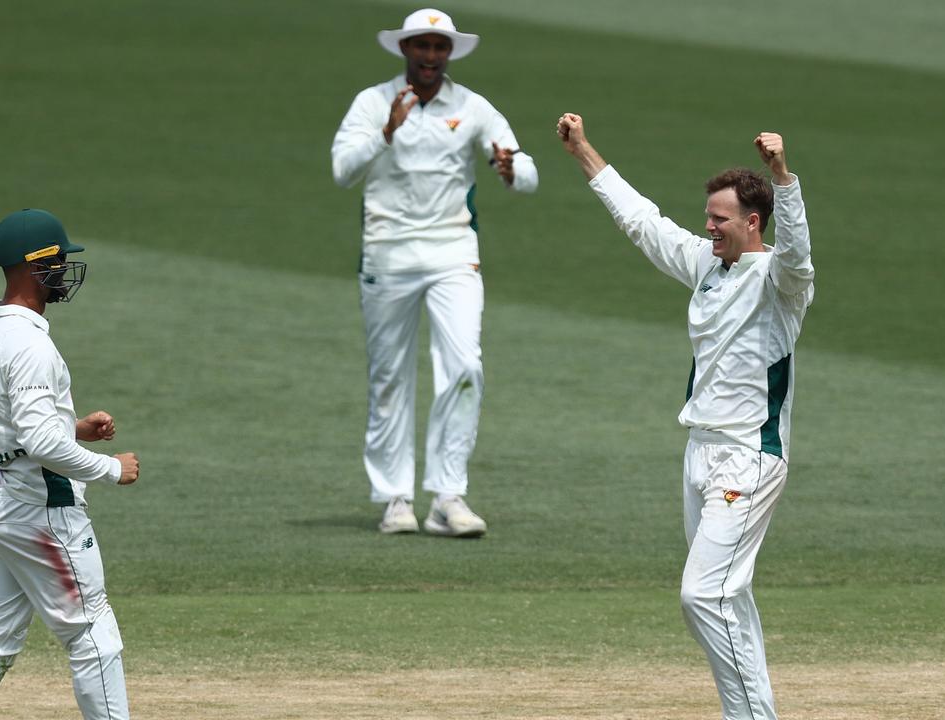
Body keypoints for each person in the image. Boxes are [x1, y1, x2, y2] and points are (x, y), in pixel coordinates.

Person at [557, 113, 814, 720]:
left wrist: (783, 178)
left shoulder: (783, 282)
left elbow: (799, 253)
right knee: (731, 596)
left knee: (703, 594)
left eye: (720, 219)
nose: (709, 226)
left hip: (749, 456)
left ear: (752, 223)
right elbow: (642, 221)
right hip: (699, 451)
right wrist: (584, 153)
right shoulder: (706, 265)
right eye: (708, 217)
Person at [331, 8, 538, 537]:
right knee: (389, 377)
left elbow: (524, 170)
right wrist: (386, 132)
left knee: (465, 364)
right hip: (388, 255)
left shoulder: (471, 106)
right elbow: (342, 171)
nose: (429, 56)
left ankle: (449, 497)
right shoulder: (372, 103)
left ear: (449, 53)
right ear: (404, 50)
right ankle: (395, 499)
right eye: (421, 46)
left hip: (452, 253)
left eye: (438, 47)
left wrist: (514, 169)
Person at [0, 208, 141, 720]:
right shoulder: (29, 344)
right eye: (56, 261)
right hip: (44, 516)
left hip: (5, 505)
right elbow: (41, 443)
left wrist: (72, 428)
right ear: (32, 267)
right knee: (94, 636)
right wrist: (110, 467)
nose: (64, 271)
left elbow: (9, 427)